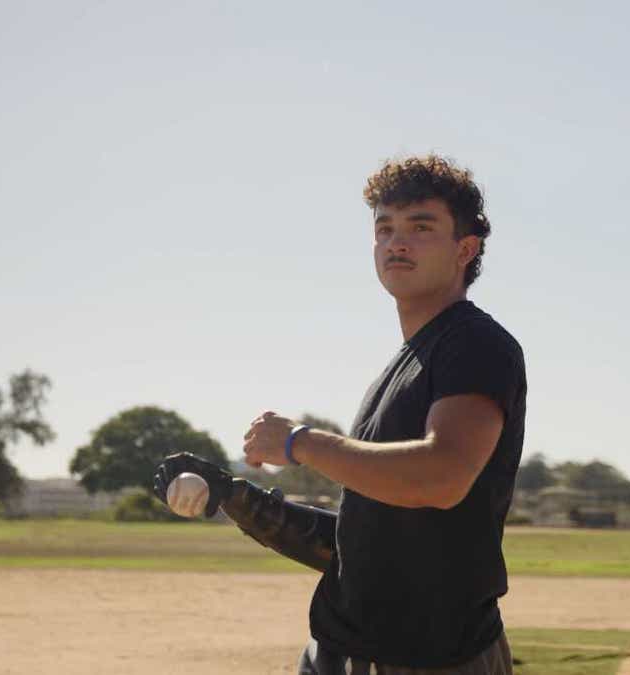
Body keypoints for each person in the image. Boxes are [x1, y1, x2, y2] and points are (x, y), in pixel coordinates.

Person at [153, 155, 526, 674]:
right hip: (342, 648)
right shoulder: (409, 361)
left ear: (465, 248)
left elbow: (441, 477)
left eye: (421, 227)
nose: (397, 242)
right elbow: (364, 540)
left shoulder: (475, 343)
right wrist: (237, 499)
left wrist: (299, 442)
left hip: (432, 657)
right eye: (385, 228)